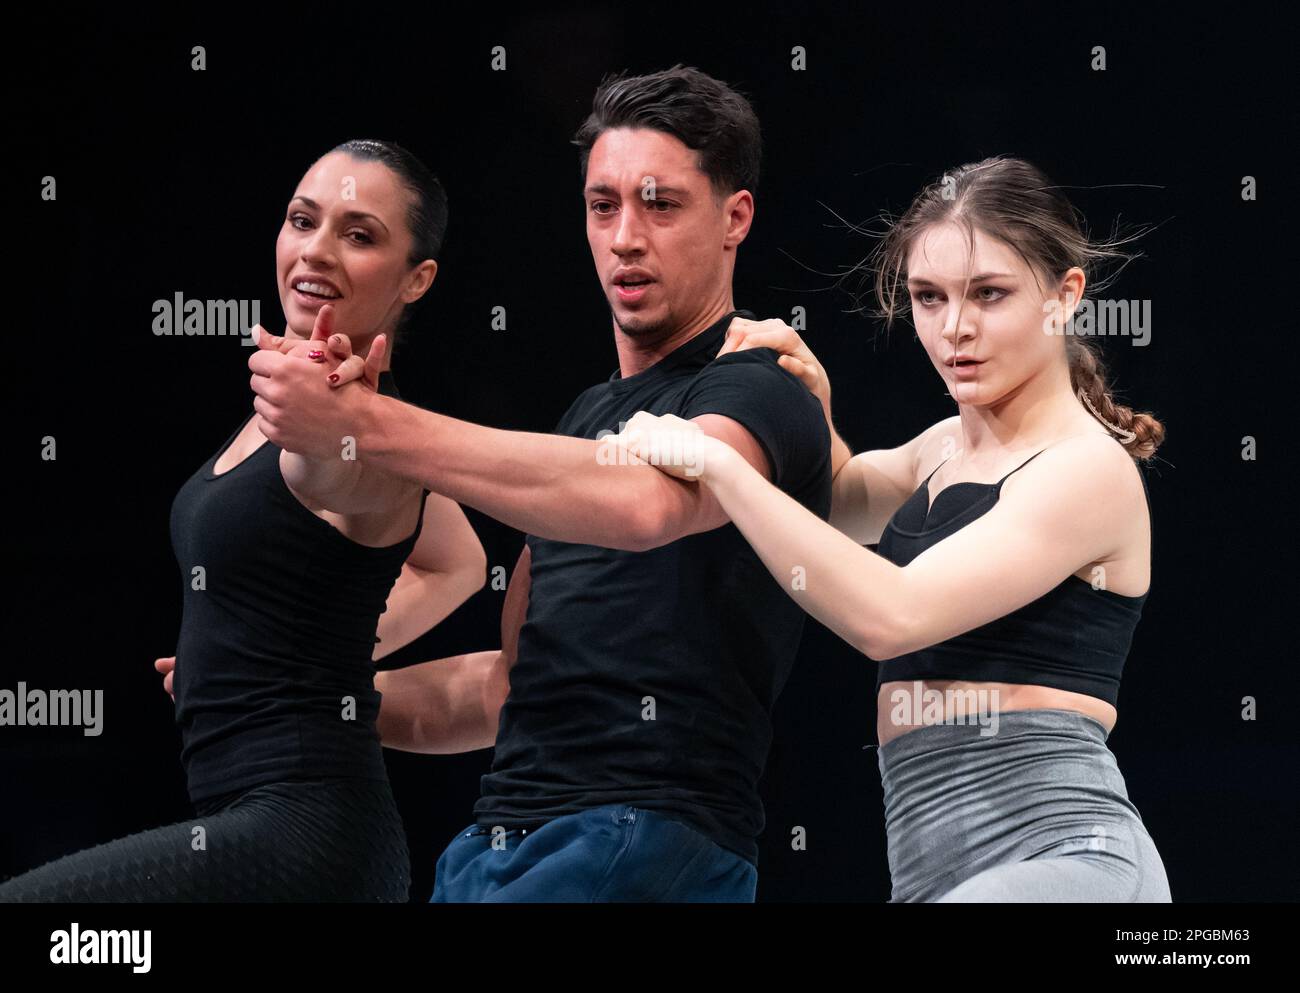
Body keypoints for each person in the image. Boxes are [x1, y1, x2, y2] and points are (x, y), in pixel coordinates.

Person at [248, 66, 832, 902]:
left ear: (735, 216)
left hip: (643, 838)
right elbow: (510, 686)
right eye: (604, 206)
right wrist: (294, 694)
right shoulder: (586, 415)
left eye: (659, 204)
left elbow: (647, 501)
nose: (625, 236)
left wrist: (363, 426)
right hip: (496, 847)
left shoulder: (760, 385)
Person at [613, 156, 1173, 902]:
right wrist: (813, 411)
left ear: (1064, 295)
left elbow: (892, 613)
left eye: (989, 294)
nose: (955, 328)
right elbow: (838, 505)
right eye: (928, 298)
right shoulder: (943, 446)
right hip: (935, 871)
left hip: (1068, 859)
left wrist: (721, 466)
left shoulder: (1087, 470)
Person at [1, 139, 486, 902]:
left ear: (416, 278)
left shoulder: (366, 436)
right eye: (303, 220)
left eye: (358, 235)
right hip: (262, 829)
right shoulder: (300, 408)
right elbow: (456, 561)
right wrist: (280, 655)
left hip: (308, 840)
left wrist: (333, 424)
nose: (316, 250)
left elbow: (332, 471)